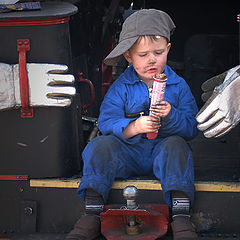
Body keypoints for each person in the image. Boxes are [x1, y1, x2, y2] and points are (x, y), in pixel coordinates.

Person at [66, 9, 199, 240]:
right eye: (143, 54)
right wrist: (134, 127)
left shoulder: (179, 86)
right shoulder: (122, 86)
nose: (152, 60)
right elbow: (107, 120)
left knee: (178, 147)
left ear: (167, 50)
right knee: (99, 147)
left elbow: (191, 127)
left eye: (158, 52)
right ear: (128, 56)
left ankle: (180, 214)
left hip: (162, 151)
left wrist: (171, 116)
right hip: (128, 152)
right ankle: (93, 209)